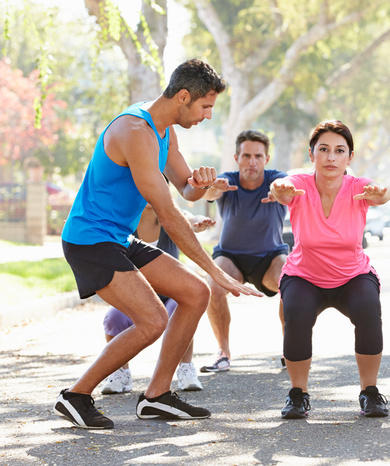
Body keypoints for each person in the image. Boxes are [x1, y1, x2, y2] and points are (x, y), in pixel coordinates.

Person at [56, 58, 262, 430]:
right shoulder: (135, 131)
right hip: (90, 240)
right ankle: (76, 395)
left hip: (117, 237)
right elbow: (168, 213)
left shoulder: (165, 131)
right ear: (183, 96)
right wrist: (217, 271)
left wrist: (201, 185)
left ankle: (157, 396)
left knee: (195, 293)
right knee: (151, 320)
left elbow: (184, 188)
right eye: (205, 106)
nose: (208, 115)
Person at [270, 120, 390, 419]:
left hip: (352, 275)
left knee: (368, 308)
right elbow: (281, 189)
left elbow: (383, 193)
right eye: (323, 149)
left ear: (350, 157)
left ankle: (370, 391)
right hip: (304, 275)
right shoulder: (298, 183)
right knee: (296, 313)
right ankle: (298, 394)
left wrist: (382, 194)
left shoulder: (358, 186)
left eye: (340, 151)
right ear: (312, 154)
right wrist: (279, 188)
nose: (331, 157)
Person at [100, 202, 215, 394]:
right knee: (113, 319)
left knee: (182, 313)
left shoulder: (169, 217)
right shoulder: (125, 221)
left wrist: (198, 221)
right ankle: (121, 373)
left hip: (171, 294)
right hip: (137, 295)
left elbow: (188, 218)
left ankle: (186, 368)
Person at [199, 130, 288, 373]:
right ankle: (223, 353)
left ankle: (290, 350)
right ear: (237, 157)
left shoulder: (277, 179)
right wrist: (212, 187)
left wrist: (279, 193)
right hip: (231, 258)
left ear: (266, 159)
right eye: (246, 155)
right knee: (212, 286)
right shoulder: (226, 181)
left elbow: (287, 190)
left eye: (258, 156)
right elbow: (210, 193)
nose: (252, 162)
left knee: (292, 282)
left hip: (270, 258)